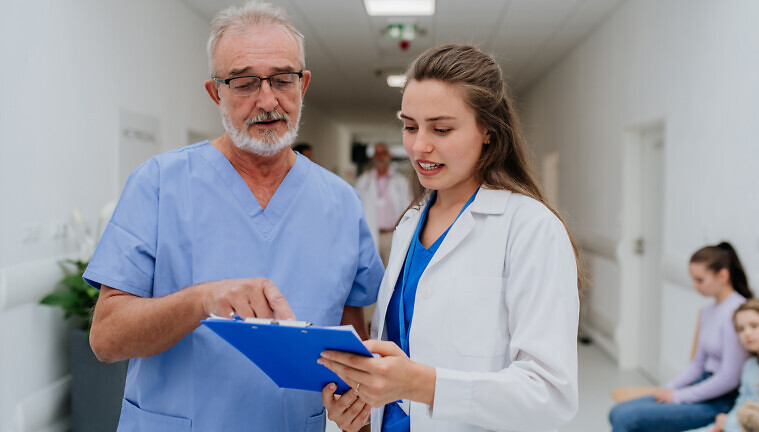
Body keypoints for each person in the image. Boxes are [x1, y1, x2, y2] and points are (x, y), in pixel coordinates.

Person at [84, 2, 383, 431]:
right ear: (215, 92)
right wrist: (202, 301)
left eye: (283, 80)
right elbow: (106, 339)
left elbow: (353, 339)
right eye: (244, 83)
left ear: (304, 86)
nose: (267, 100)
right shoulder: (158, 184)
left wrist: (356, 400)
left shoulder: (341, 204)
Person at [318, 44, 580, 432]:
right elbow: (395, 362)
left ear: (488, 131)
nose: (419, 146)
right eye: (410, 126)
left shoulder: (530, 228)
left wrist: (419, 384)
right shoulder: (411, 222)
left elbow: (551, 396)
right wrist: (360, 412)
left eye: (441, 129)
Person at [609, 242, 753, 432]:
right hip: (700, 386)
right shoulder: (709, 311)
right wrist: (669, 388)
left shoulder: (738, 313)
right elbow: (697, 364)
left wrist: (678, 396)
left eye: (700, 280)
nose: (695, 286)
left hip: (719, 400)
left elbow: (729, 378)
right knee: (616, 412)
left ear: (723, 275)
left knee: (626, 418)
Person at [685, 298, 759, 432]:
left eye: (754, 325)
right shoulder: (750, 366)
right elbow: (742, 403)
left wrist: (729, 424)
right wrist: (726, 423)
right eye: (741, 329)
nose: (747, 333)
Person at [356, 142, 410, 267]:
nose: (380, 157)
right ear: (374, 157)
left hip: (392, 235)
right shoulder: (363, 181)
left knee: (392, 271)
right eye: (377, 154)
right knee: (373, 271)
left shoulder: (401, 182)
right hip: (371, 234)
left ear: (389, 155)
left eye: (383, 153)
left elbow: (408, 209)